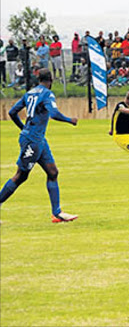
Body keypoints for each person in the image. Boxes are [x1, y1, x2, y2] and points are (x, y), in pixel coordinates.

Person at [0, 69, 78, 223]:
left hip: (38, 139)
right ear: (51, 80)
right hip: (32, 141)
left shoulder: (30, 93)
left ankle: (57, 213)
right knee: (21, 176)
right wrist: (70, 120)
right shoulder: (47, 94)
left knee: (53, 172)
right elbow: (54, 114)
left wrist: (24, 128)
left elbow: (12, 112)